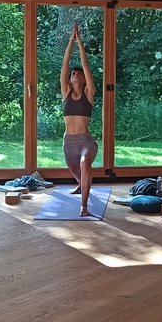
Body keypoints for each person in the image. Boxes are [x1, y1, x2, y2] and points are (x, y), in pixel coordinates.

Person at [61, 20, 98, 217]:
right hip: (68, 141)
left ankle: (84, 206)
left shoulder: (89, 93)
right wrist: (70, 40)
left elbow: (85, 64)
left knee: (85, 163)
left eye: (78, 73)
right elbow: (65, 64)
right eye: (73, 74)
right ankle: (80, 184)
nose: (75, 74)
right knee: (76, 171)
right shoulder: (66, 93)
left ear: (84, 79)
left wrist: (79, 40)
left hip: (85, 141)